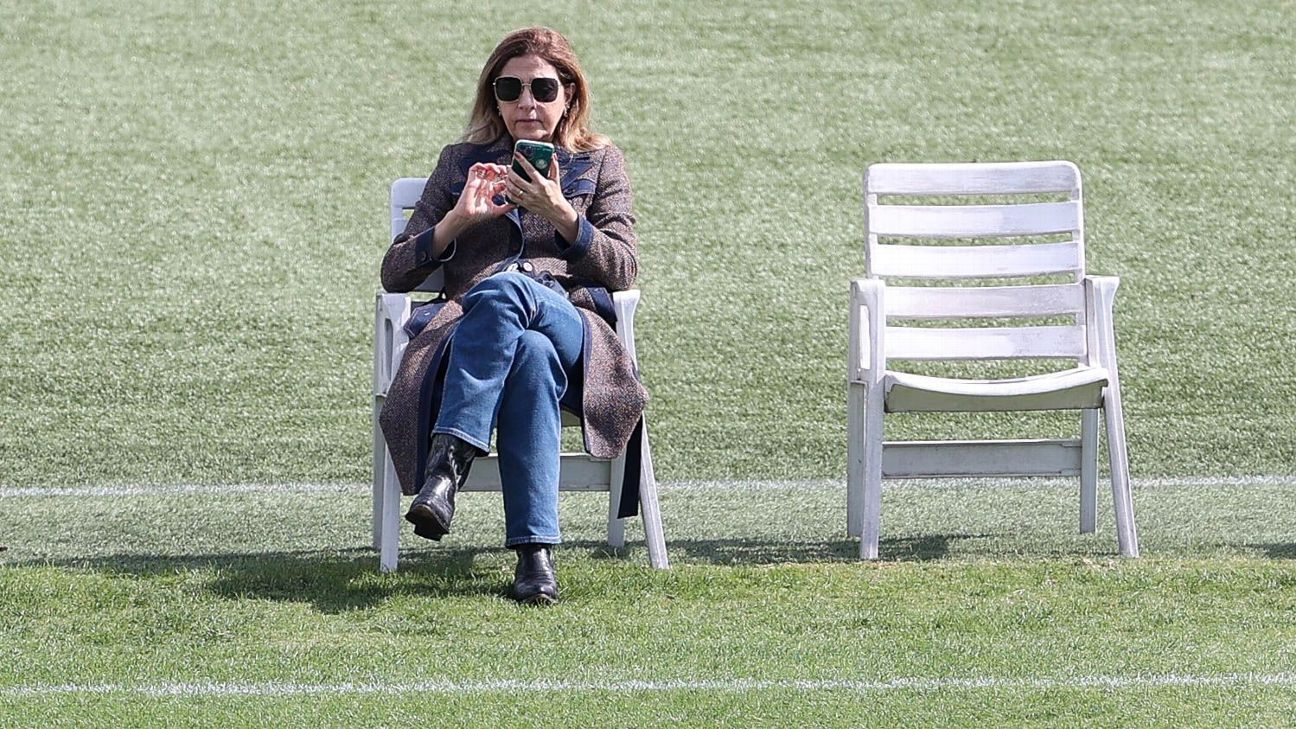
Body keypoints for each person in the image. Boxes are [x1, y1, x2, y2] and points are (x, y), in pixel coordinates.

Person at [379, 27, 647, 605]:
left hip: (573, 325)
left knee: (512, 291)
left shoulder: (599, 162)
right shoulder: (460, 163)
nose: (527, 103)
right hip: (475, 333)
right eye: (511, 88)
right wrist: (455, 222)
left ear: (569, 95)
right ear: (495, 97)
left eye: (543, 88)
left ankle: (447, 465)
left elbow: (623, 269)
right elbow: (395, 271)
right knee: (526, 352)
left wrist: (564, 217)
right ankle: (535, 559)